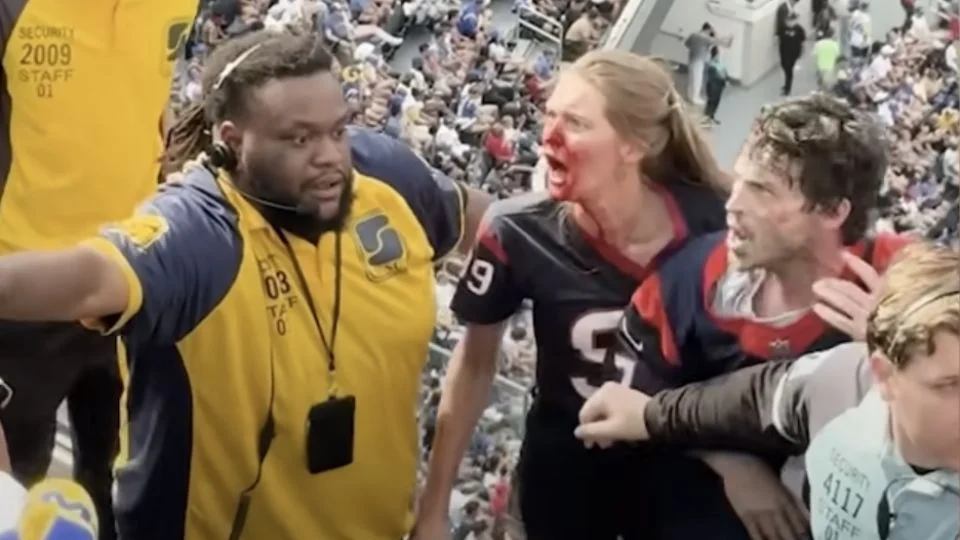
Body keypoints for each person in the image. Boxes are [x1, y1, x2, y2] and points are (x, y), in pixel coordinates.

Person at [0, 31, 488, 538]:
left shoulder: (385, 178)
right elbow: (89, 279)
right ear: (232, 141)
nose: (330, 156)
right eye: (300, 139)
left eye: (338, 131)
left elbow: (498, 228)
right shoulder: (201, 231)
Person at [414, 50, 733, 540]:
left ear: (637, 144)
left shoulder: (719, 223)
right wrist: (433, 510)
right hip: (566, 461)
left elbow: (748, 360)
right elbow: (475, 364)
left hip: (680, 455)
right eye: (549, 116)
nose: (549, 137)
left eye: (577, 123)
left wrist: (735, 460)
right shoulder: (516, 229)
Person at [612, 93, 908, 540]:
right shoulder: (682, 288)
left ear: (832, 211)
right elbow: (625, 407)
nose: (733, 203)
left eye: (762, 189)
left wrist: (907, 350)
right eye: (740, 180)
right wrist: (731, 460)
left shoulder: (911, 281)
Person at [576, 241, 960, 540]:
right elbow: (753, 399)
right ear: (885, 376)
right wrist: (649, 415)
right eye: (951, 385)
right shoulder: (838, 381)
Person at [0, 1, 199, 538]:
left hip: (126, 281)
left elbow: (152, 101)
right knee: (18, 496)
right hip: (23, 292)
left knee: (118, 493)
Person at [779, 13, 806, 95]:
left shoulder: (799, 29)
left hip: (793, 53)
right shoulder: (783, 28)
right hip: (784, 51)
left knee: (789, 69)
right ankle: (786, 84)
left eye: (789, 21)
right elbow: (781, 38)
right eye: (786, 21)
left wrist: (801, 52)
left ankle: (787, 88)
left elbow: (803, 41)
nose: (787, 22)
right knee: (783, 65)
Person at [703, 46, 729, 125]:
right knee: (712, 101)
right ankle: (707, 117)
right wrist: (724, 77)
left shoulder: (718, 63)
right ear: (716, 53)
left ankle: (711, 116)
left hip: (719, 86)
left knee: (716, 101)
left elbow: (724, 73)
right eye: (719, 53)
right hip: (714, 85)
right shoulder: (712, 64)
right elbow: (718, 75)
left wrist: (726, 77)